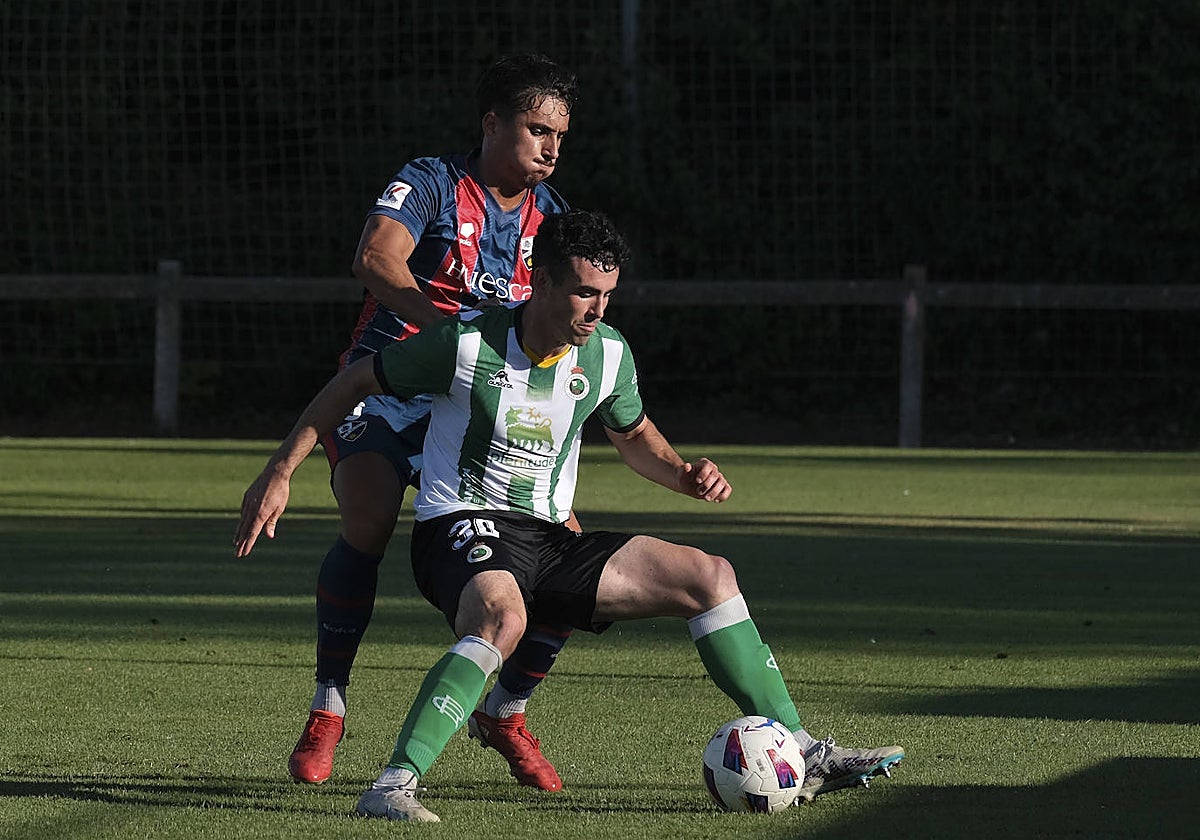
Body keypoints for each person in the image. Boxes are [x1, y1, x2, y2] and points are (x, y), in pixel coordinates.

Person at [236, 209, 905, 822]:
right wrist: (281, 470)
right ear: (543, 281)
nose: (597, 308)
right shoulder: (465, 344)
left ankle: (808, 751)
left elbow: (634, 434)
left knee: (711, 576)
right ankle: (392, 786)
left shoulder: (607, 354)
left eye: (607, 294)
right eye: (585, 292)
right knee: (504, 618)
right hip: (461, 524)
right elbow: (354, 381)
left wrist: (683, 474)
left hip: (551, 538)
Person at [259, 54, 580, 791]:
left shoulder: (555, 219)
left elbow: (572, 314)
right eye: (537, 129)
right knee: (366, 517)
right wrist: (451, 332)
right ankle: (328, 707)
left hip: (480, 405)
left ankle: (505, 709)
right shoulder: (432, 181)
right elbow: (376, 258)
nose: (551, 147)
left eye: (560, 134)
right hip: (388, 384)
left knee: (563, 552)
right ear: (492, 122)